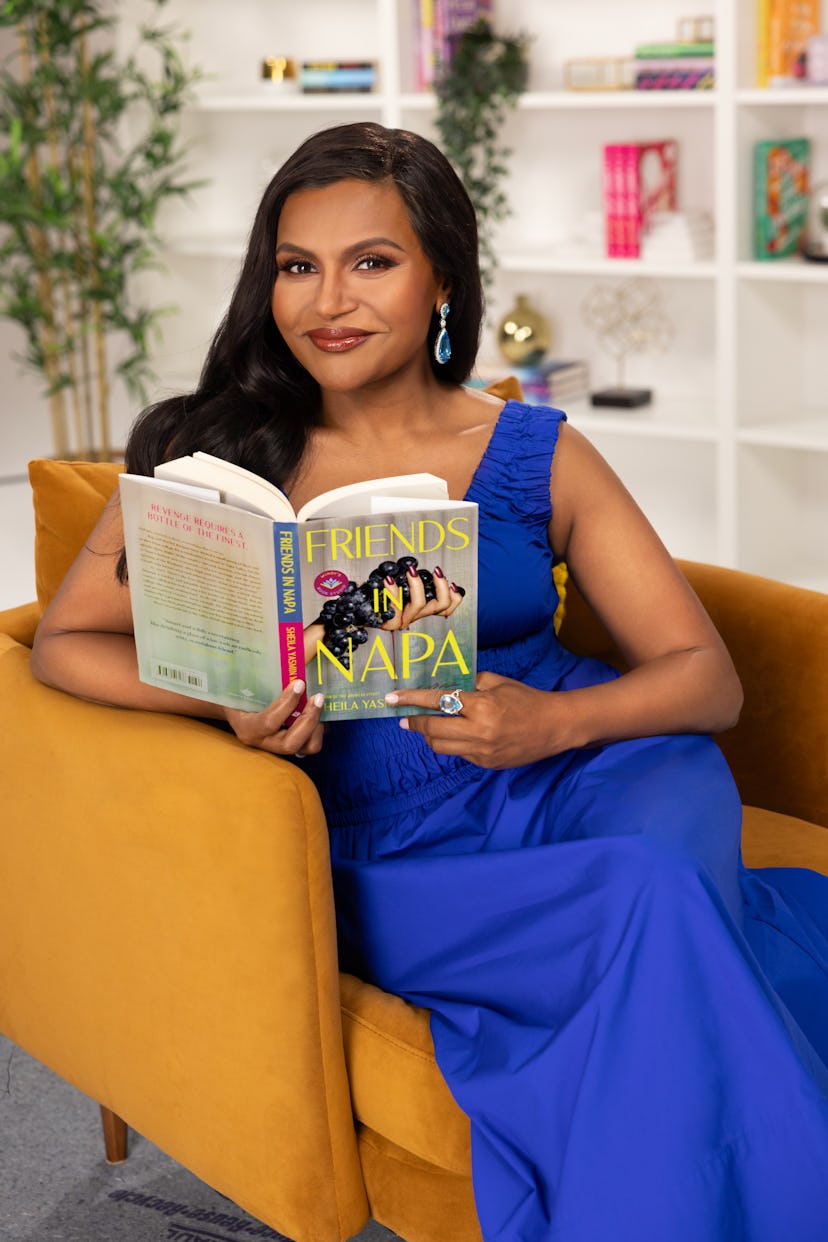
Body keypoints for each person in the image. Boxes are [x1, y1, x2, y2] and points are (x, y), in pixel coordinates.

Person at [31, 122, 828, 1240]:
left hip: (595, 767)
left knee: (654, 873)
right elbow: (64, 642)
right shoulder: (210, 456)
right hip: (378, 835)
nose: (327, 301)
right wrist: (221, 703)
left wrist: (551, 723)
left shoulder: (534, 450)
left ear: (442, 277)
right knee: (650, 908)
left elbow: (708, 681)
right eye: (297, 265)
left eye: (373, 261)